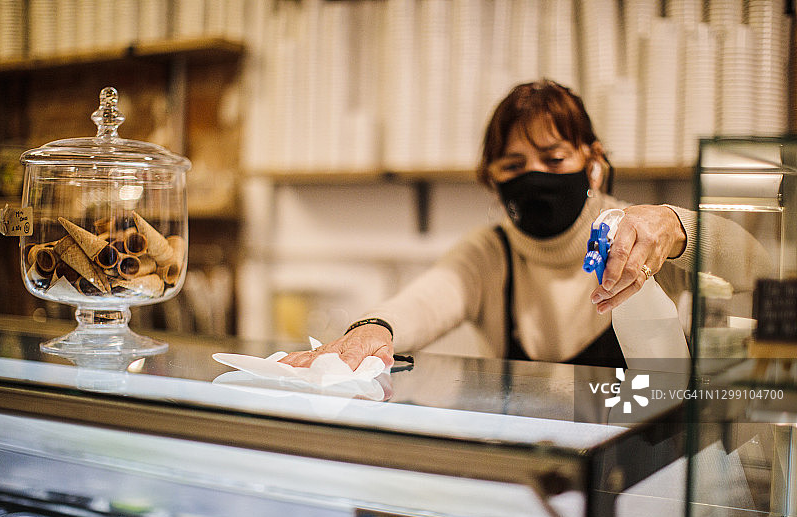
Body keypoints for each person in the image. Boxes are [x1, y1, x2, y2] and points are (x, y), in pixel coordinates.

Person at [280, 80, 771, 371]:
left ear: (593, 163)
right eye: (513, 167)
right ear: (492, 182)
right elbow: (426, 300)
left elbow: (759, 271)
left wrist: (677, 227)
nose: (534, 176)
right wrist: (373, 329)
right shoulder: (490, 254)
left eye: (554, 159)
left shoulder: (641, 238)